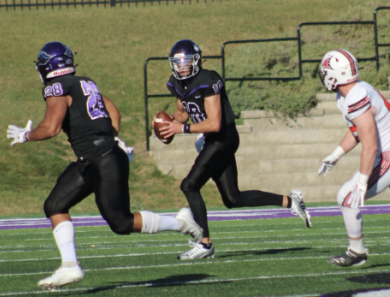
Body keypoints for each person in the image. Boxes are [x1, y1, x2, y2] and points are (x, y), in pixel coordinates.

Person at [6, 41, 203, 291]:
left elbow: (51, 128)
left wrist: (27, 135)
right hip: (95, 159)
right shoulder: (83, 82)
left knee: (121, 223)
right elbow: (113, 111)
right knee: (55, 205)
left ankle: (181, 223)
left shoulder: (55, 87)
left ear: (47, 66)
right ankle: (69, 265)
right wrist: (110, 137)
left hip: (103, 159)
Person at [153, 39, 312, 260]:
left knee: (189, 185)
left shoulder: (208, 80)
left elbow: (214, 123)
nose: (181, 67)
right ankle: (290, 201)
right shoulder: (176, 83)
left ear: (196, 61)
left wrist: (181, 129)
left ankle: (205, 244)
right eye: (177, 63)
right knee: (232, 199)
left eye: (186, 62)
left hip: (223, 138)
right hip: (210, 140)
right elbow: (182, 112)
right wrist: (168, 123)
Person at [317, 49, 390, 267]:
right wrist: (336, 154)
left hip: (387, 154)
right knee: (346, 198)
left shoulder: (356, 95)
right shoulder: (348, 95)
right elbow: (358, 132)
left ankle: (357, 252)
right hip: (384, 153)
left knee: (348, 198)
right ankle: (356, 251)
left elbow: (370, 145)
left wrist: (361, 182)